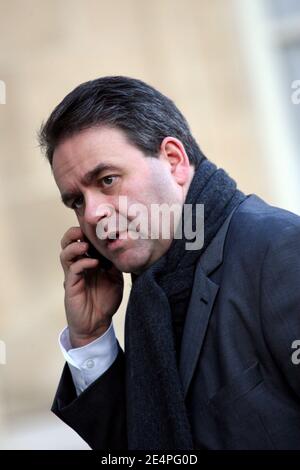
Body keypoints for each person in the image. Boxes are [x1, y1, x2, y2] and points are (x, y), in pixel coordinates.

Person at [39, 76, 300, 450]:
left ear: (174, 161)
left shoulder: (280, 250)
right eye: (77, 201)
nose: (93, 213)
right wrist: (91, 337)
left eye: (108, 180)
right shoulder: (153, 290)